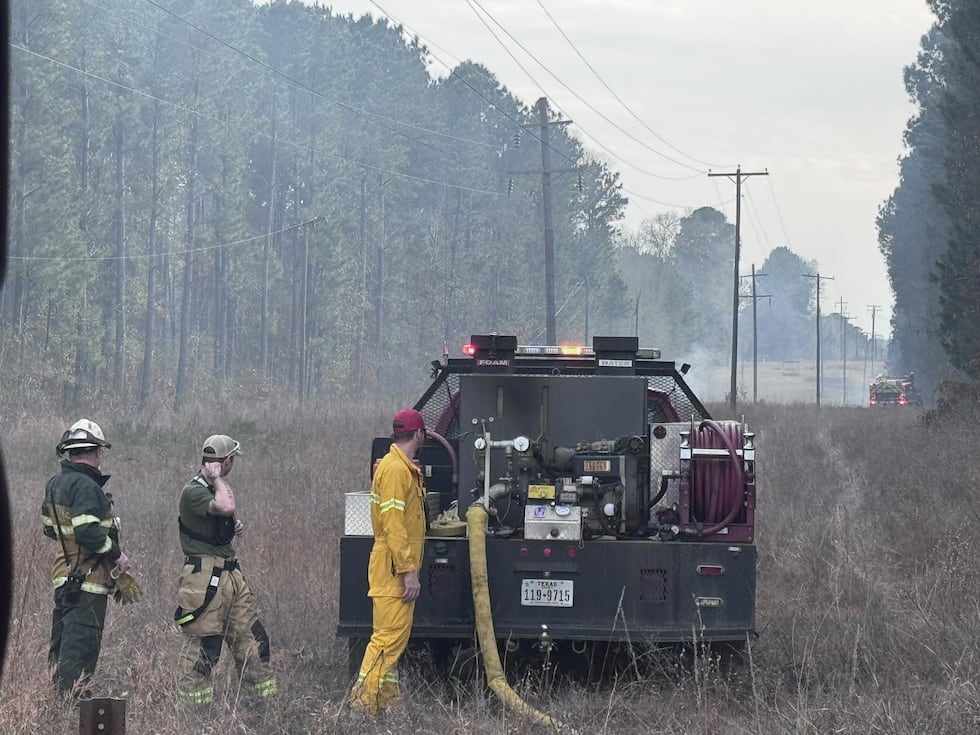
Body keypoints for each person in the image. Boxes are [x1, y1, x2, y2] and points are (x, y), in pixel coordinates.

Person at [173, 434, 277, 706]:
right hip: (204, 578)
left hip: (231, 576)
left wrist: (233, 526)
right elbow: (226, 506)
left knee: (253, 641)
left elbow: (225, 513)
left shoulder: (215, 489)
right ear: (225, 461)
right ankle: (194, 712)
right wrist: (217, 478)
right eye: (231, 461)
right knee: (204, 649)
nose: (232, 466)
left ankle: (260, 708)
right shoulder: (194, 491)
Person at [42, 419, 130, 699]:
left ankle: (55, 704)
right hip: (88, 582)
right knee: (81, 649)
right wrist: (117, 554)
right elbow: (87, 532)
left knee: (62, 645)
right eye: (99, 452)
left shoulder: (55, 484)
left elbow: (49, 527)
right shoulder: (87, 487)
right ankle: (73, 707)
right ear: (94, 452)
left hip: (64, 576)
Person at [349, 408, 427, 716]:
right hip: (394, 570)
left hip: (392, 566)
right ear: (418, 434)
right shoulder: (395, 470)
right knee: (387, 640)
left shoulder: (400, 467)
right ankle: (362, 705)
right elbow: (394, 525)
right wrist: (408, 571)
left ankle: (387, 702)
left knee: (393, 638)